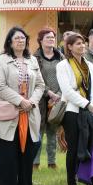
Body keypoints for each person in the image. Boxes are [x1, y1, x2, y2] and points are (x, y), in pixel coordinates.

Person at [0, 26, 45, 185]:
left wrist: (31, 102)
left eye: (23, 38)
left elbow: (40, 85)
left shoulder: (32, 60)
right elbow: (0, 86)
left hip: (29, 113)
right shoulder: (1, 60)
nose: (20, 41)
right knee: (8, 153)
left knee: (27, 151)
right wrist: (20, 101)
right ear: (10, 42)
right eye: (16, 38)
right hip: (9, 113)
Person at [56, 33, 93, 185]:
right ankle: (72, 183)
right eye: (78, 44)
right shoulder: (63, 66)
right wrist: (86, 104)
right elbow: (67, 91)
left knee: (91, 145)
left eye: (83, 43)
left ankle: (90, 180)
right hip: (72, 112)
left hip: (89, 112)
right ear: (69, 46)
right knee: (74, 148)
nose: (82, 46)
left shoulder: (90, 65)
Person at [33, 27, 63, 171]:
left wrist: (58, 94)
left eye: (52, 37)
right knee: (38, 132)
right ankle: (35, 163)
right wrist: (49, 93)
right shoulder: (34, 58)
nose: (51, 39)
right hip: (40, 100)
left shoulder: (61, 57)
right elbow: (35, 80)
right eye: (48, 37)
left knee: (53, 131)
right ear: (40, 41)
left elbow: (66, 77)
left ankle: (52, 162)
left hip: (58, 99)